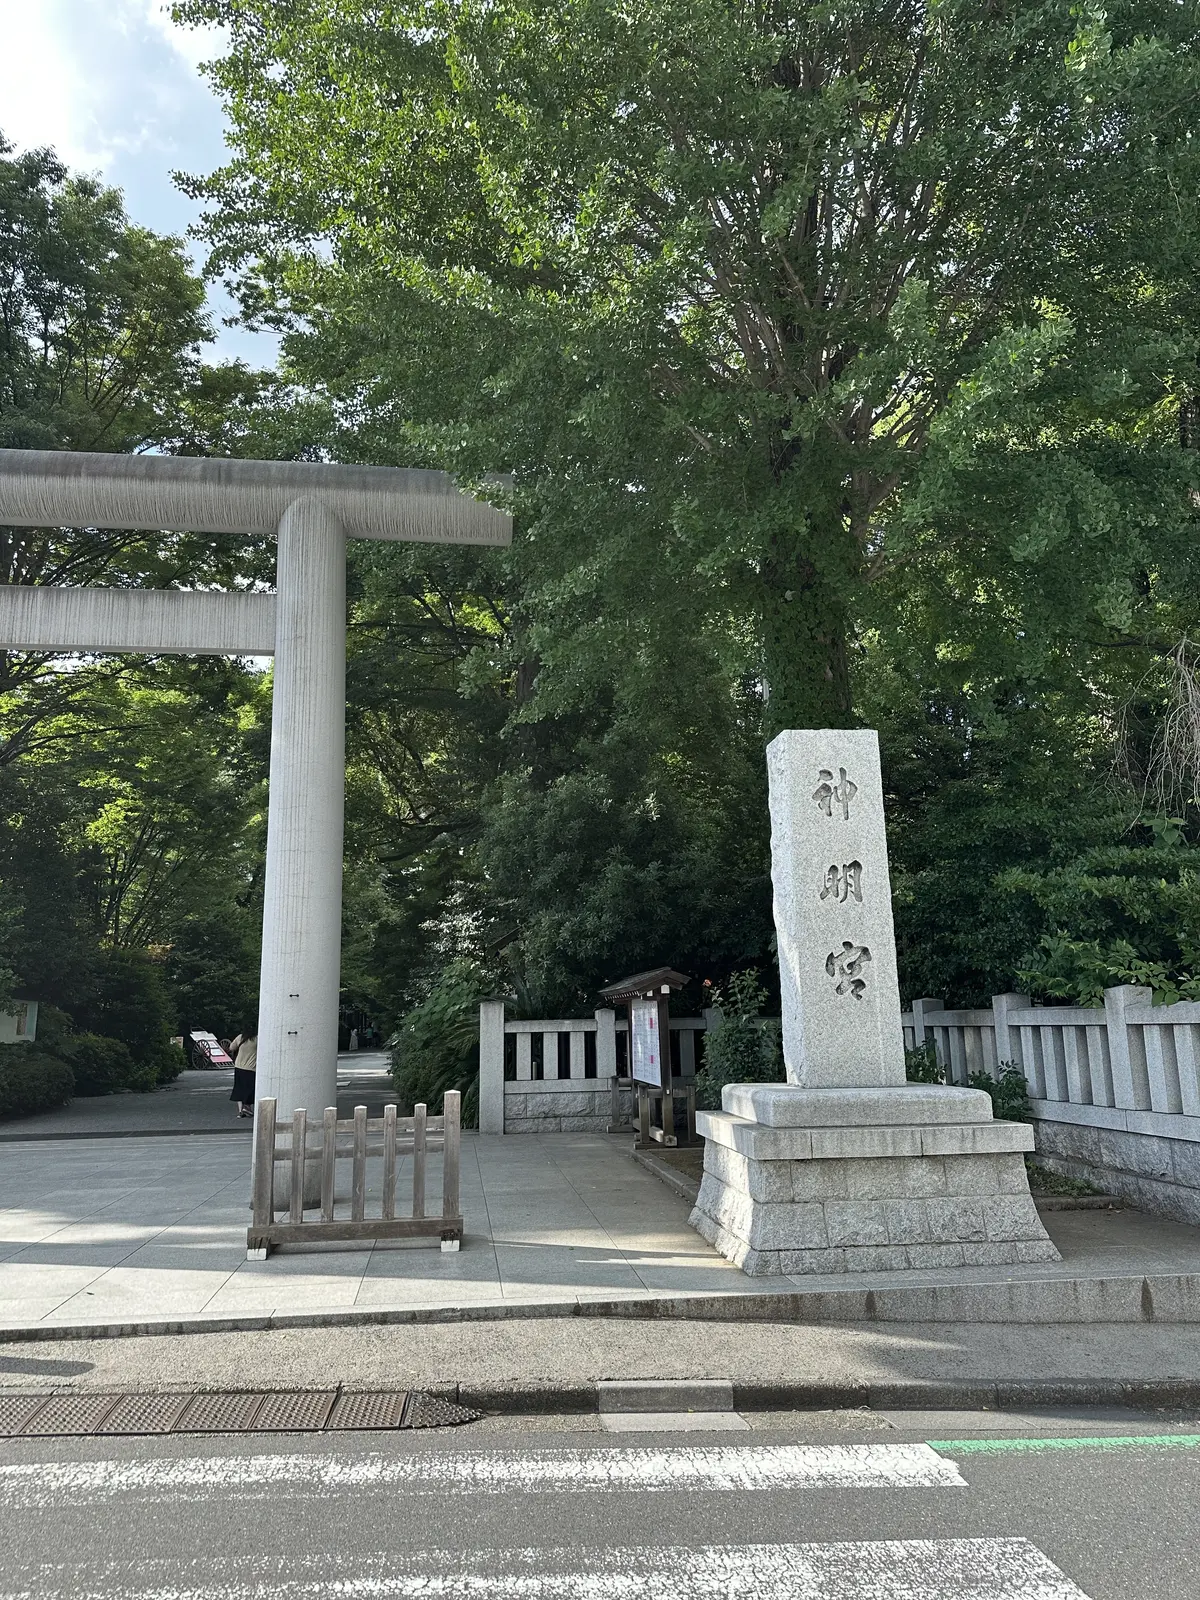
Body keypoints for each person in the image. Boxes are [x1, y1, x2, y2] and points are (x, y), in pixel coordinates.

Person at [229, 1020, 258, 1118]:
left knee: (239, 1089)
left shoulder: (240, 1037)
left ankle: (241, 1111)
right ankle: (247, 1107)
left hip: (238, 1066)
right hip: (251, 1067)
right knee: (250, 1088)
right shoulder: (257, 1039)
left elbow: (231, 1048)